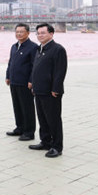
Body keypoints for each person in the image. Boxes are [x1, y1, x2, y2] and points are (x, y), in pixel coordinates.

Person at [28, 23, 67, 158]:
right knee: (42, 118)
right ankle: (45, 142)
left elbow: (60, 71)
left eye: (43, 33)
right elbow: (36, 69)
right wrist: (33, 84)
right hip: (39, 90)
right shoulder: (40, 49)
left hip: (51, 92)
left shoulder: (58, 49)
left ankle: (57, 146)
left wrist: (56, 88)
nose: (40, 35)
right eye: (38, 33)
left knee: (53, 120)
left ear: (51, 33)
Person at [5, 24, 38, 141]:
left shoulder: (33, 47)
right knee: (17, 106)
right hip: (14, 82)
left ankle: (29, 132)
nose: (19, 34)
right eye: (17, 32)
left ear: (28, 33)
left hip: (25, 83)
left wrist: (31, 81)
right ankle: (19, 128)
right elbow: (10, 63)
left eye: (21, 32)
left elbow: (35, 66)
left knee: (27, 107)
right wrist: (8, 76)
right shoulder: (14, 46)